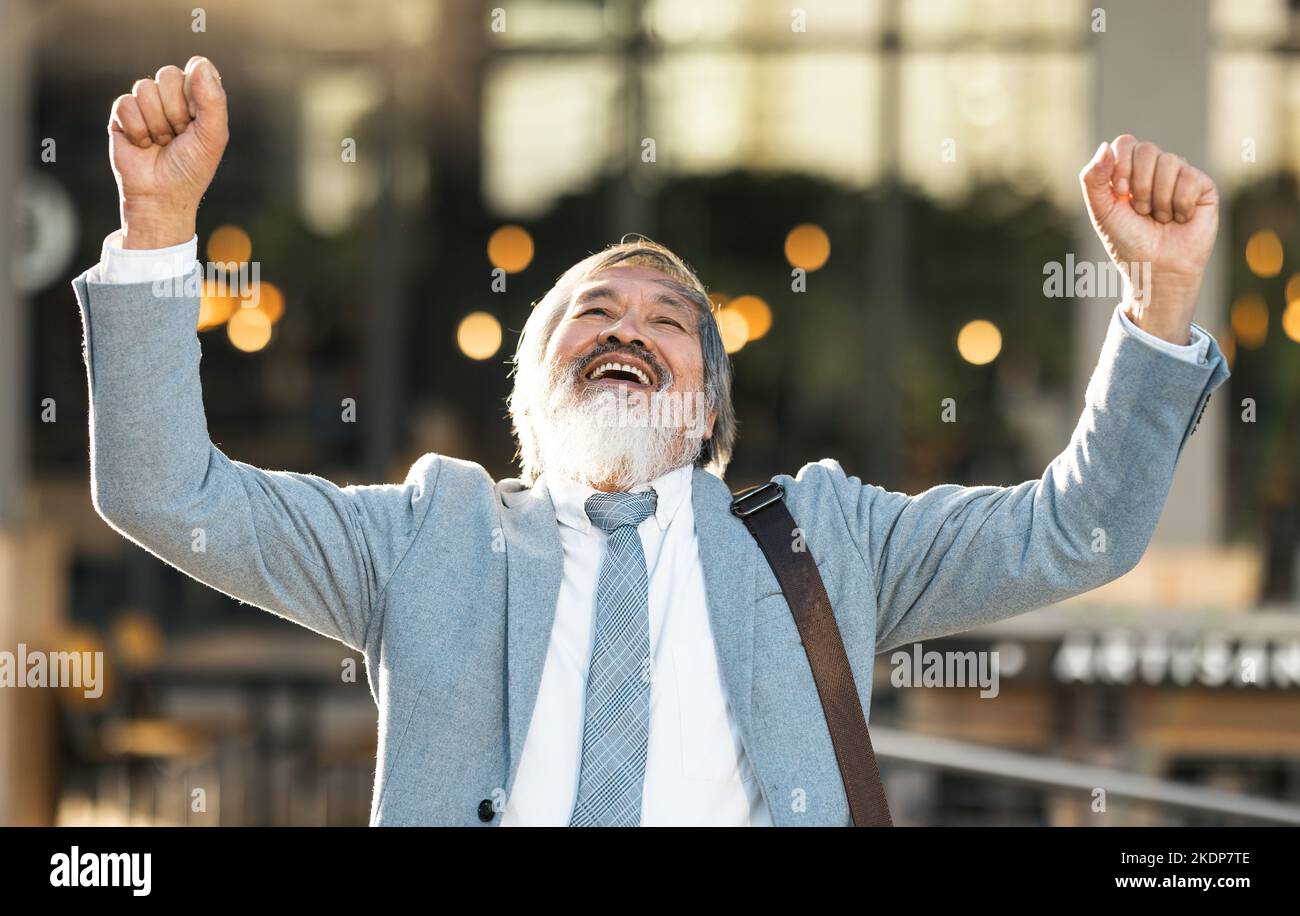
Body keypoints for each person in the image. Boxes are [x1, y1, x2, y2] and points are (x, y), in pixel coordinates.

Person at [73, 57, 1229, 826]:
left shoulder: (827, 540)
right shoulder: (428, 533)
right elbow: (165, 489)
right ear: (531, 390)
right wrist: (161, 225)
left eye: (669, 323)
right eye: (595, 315)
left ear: (710, 414)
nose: (629, 329)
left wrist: (1158, 300)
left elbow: (1077, 529)